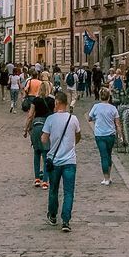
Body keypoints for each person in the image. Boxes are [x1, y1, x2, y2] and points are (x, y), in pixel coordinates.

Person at [41, 90, 80, 233]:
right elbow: (78, 136)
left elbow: (44, 139)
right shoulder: (73, 119)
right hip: (70, 161)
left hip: (55, 161)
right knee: (69, 192)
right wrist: (71, 144)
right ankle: (66, 221)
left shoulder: (51, 119)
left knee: (53, 190)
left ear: (57, 103)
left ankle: (52, 216)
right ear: (66, 102)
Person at [88, 87, 123, 185]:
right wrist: (121, 136)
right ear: (109, 97)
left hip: (100, 135)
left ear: (100, 97)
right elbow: (118, 124)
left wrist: (95, 118)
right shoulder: (113, 108)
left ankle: (106, 178)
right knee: (108, 154)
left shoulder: (96, 107)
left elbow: (90, 118)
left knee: (103, 156)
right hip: (110, 135)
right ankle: (109, 175)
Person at [21, 87, 55, 188]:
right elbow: (55, 114)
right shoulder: (51, 101)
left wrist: (25, 129)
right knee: (46, 154)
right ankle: (45, 181)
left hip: (36, 126)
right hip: (47, 127)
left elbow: (30, 115)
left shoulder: (35, 100)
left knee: (36, 153)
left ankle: (36, 179)